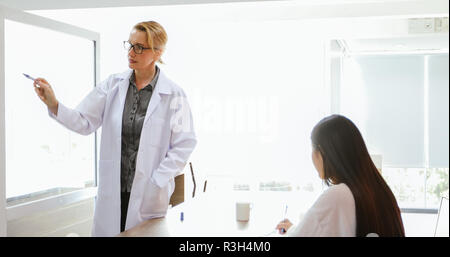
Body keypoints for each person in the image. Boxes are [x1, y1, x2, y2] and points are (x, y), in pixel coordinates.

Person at [32, 21, 197, 236]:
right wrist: (53, 104)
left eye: (140, 47)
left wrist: (159, 177)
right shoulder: (112, 85)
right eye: (130, 45)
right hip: (113, 192)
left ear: (158, 52)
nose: (131, 52)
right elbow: (83, 122)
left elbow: (185, 144)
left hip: (149, 192)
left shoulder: (175, 94)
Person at [276, 114, 404, 237]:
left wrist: (293, 230)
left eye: (312, 149)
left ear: (321, 153)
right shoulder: (381, 191)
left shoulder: (338, 195)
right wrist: (294, 228)